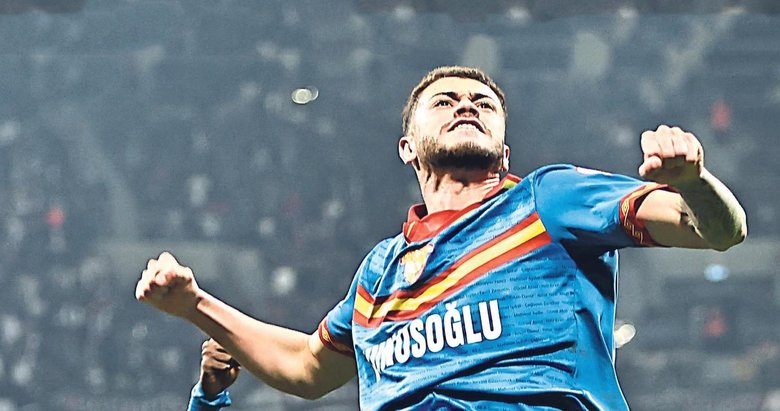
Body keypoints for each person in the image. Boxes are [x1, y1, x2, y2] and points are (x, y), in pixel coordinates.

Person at [136, 66, 747, 410]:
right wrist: (194, 305)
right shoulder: (379, 274)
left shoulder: (547, 200)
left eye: (483, 103)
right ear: (407, 147)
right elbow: (305, 369)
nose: (466, 106)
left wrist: (693, 181)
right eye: (446, 101)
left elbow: (717, 232)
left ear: (504, 151)